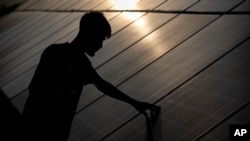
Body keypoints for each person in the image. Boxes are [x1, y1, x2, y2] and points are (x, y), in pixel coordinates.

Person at [22, 12, 159, 141]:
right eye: (99, 39)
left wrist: (134, 103)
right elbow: (36, 90)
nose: (100, 46)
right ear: (89, 34)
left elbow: (103, 86)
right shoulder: (55, 53)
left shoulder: (82, 64)